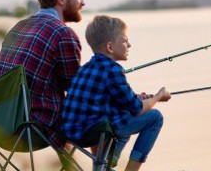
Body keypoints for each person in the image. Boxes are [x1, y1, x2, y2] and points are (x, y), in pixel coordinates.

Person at [61, 15, 171, 171]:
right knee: (155, 118)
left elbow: (114, 100)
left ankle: (109, 162)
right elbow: (137, 108)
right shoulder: (113, 70)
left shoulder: (85, 68)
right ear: (110, 47)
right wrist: (159, 96)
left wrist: (138, 98)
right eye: (125, 41)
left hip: (71, 132)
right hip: (94, 132)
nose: (129, 45)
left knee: (124, 110)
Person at [0, 0, 85, 152]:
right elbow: (77, 90)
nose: (83, 3)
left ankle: (70, 166)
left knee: (63, 108)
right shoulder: (63, 34)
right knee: (103, 115)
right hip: (31, 129)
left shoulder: (18, 27)